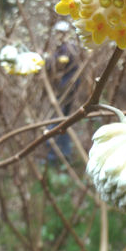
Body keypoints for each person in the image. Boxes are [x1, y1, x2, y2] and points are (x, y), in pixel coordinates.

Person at [47, 21, 79, 163]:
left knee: (59, 119)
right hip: (65, 89)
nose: (59, 36)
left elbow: (59, 64)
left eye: (61, 33)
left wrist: (47, 60)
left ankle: (56, 154)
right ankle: (63, 153)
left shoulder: (68, 48)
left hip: (66, 90)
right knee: (63, 119)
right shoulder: (64, 48)